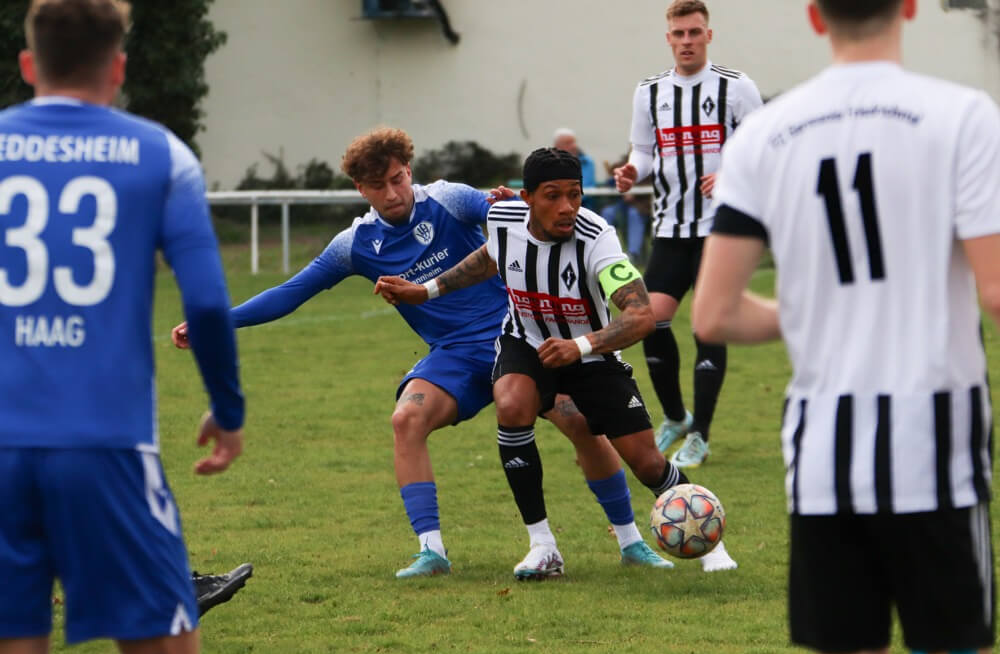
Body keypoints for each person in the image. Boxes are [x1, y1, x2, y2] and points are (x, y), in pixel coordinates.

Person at [173, 127, 673, 579]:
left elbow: (518, 219)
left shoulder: (451, 200)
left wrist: (512, 204)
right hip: (454, 356)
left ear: (409, 171)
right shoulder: (355, 245)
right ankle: (431, 552)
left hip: (516, 340)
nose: (392, 193)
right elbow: (292, 291)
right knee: (405, 419)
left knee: (579, 421)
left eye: (398, 179)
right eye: (379, 186)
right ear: (361, 190)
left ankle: (631, 541)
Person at [692, 1, 999, 654]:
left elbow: (713, 314)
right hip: (934, 437)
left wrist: (813, 312)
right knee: (948, 646)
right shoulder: (964, 116)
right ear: (910, 7)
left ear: (815, 17)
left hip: (823, 442)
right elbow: (995, 288)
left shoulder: (764, 134)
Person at [0, 1, 245, 654]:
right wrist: (228, 411)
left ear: (28, 65)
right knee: (168, 644)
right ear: (118, 67)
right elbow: (207, 302)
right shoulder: (161, 154)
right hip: (104, 442)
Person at [376, 147, 738, 573]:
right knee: (511, 404)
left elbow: (642, 316)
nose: (567, 207)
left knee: (647, 463)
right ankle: (543, 545)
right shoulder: (503, 218)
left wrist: (581, 346)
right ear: (526, 198)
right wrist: (427, 290)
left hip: (592, 356)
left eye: (575, 194)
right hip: (525, 344)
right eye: (552, 195)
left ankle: (710, 541)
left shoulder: (596, 236)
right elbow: (489, 258)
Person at [614, 0, 763, 468]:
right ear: (668, 39)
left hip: (722, 229)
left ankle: (701, 434)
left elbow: (762, 151)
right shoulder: (649, 91)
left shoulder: (736, 88)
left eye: (694, 32)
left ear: (708, 36)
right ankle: (676, 416)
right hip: (672, 227)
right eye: (678, 34)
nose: (686, 41)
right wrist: (630, 172)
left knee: (707, 322)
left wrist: (731, 175)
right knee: (650, 319)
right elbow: (643, 151)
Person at [553, 128, 596, 210]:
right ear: (557, 146)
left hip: (583, 207)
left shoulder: (586, 162)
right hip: (556, 207)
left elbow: (584, 187)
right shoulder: (548, 163)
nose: (573, 146)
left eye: (574, 142)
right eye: (568, 143)